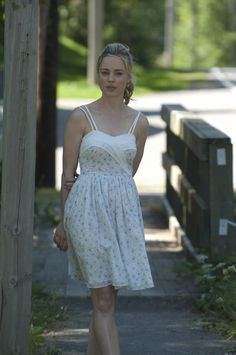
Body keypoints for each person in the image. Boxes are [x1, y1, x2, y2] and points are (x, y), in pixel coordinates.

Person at [53, 42, 154, 355]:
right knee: (104, 299)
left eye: (117, 73)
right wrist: (63, 222)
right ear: (98, 75)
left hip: (122, 213)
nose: (110, 79)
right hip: (85, 210)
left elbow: (128, 172)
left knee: (109, 299)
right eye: (105, 72)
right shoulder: (80, 117)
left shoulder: (140, 123)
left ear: (128, 78)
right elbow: (67, 175)